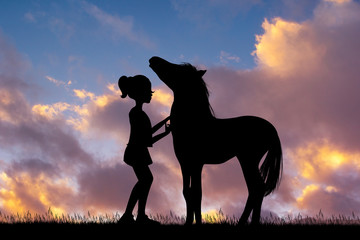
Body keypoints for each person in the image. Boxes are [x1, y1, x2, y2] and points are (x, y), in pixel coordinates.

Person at [117, 75, 170, 224]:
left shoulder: (137, 113)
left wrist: (165, 125)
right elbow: (146, 139)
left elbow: (147, 134)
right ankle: (131, 215)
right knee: (145, 180)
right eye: (148, 92)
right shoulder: (136, 113)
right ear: (139, 92)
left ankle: (137, 215)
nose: (150, 95)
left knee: (145, 180)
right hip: (136, 151)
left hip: (137, 150)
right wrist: (164, 133)